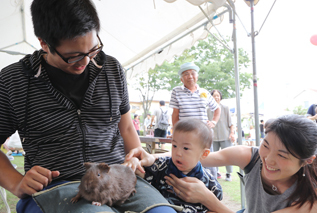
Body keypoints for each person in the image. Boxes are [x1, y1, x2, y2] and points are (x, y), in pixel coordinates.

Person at [0, 1, 177, 212]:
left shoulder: (111, 69)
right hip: (58, 187)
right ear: (44, 43)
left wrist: (135, 156)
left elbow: (127, 127)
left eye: (93, 49)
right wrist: (16, 183)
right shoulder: (15, 81)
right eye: (73, 56)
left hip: (118, 180)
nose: (85, 61)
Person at [142, 114, 317, 213]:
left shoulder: (311, 200)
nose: (269, 160)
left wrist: (207, 198)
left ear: (307, 161)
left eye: (282, 155)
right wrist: (151, 157)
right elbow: (196, 155)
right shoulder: (252, 157)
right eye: (266, 145)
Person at [125, 118, 223, 213]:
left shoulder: (209, 181)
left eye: (185, 148)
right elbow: (143, 171)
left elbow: (217, 198)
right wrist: (135, 163)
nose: (178, 153)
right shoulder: (162, 166)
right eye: (174, 146)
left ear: (204, 154)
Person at [169, 62, 221, 178]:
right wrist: (176, 133)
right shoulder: (176, 91)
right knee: (186, 162)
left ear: (197, 76)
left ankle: (211, 184)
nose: (190, 76)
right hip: (186, 136)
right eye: (186, 74)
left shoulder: (204, 92)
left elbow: (217, 109)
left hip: (204, 134)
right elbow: (175, 114)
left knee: (208, 161)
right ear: (182, 79)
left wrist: (213, 122)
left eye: (193, 73)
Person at [207, 89, 235, 181]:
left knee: (228, 155)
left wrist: (232, 133)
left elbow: (231, 122)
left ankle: (228, 173)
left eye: (218, 95)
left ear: (220, 97)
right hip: (213, 137)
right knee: (213, 156)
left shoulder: (225, 107)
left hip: (225, 135)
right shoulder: (208, 109)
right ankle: (216, 172)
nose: (216, 97)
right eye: (214, 95)